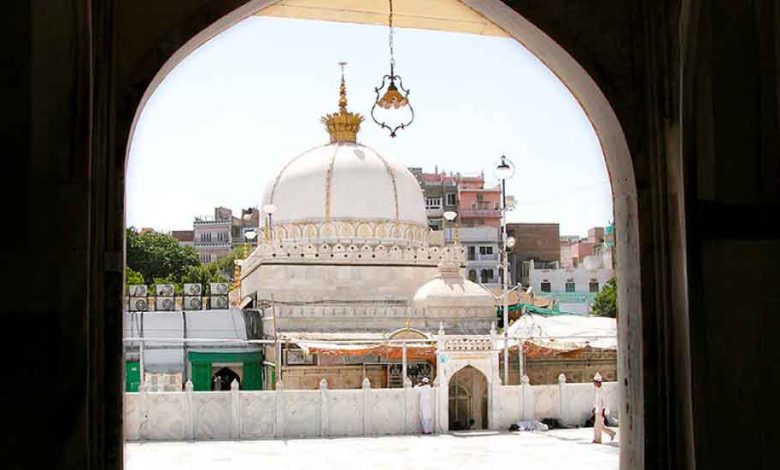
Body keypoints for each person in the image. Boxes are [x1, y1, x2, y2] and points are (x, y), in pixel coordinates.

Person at [591, 372, 616, 443]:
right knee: (601, 426)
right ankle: (612, 433)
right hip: (597, 410)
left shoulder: (603, 391)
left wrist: (603, 412)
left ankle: (597, 440)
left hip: (601, 411)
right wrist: (594, 408)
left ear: (598, 382)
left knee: (597, 427)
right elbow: (597, 401)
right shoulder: (598, 390)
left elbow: (605, 402)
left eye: (595, 382)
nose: (594, 384)